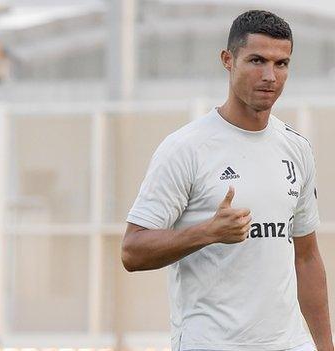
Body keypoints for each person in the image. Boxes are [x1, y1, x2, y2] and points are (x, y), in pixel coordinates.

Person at [122, 10, 333, 351]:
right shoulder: (185, 148)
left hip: (289, 344)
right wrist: (208, 232)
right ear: (227, 60)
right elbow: (131, 251)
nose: (270, 76)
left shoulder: (296, 148)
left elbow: (307, 258)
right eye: (257, 60)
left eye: (282, 64)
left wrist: (325, 345)